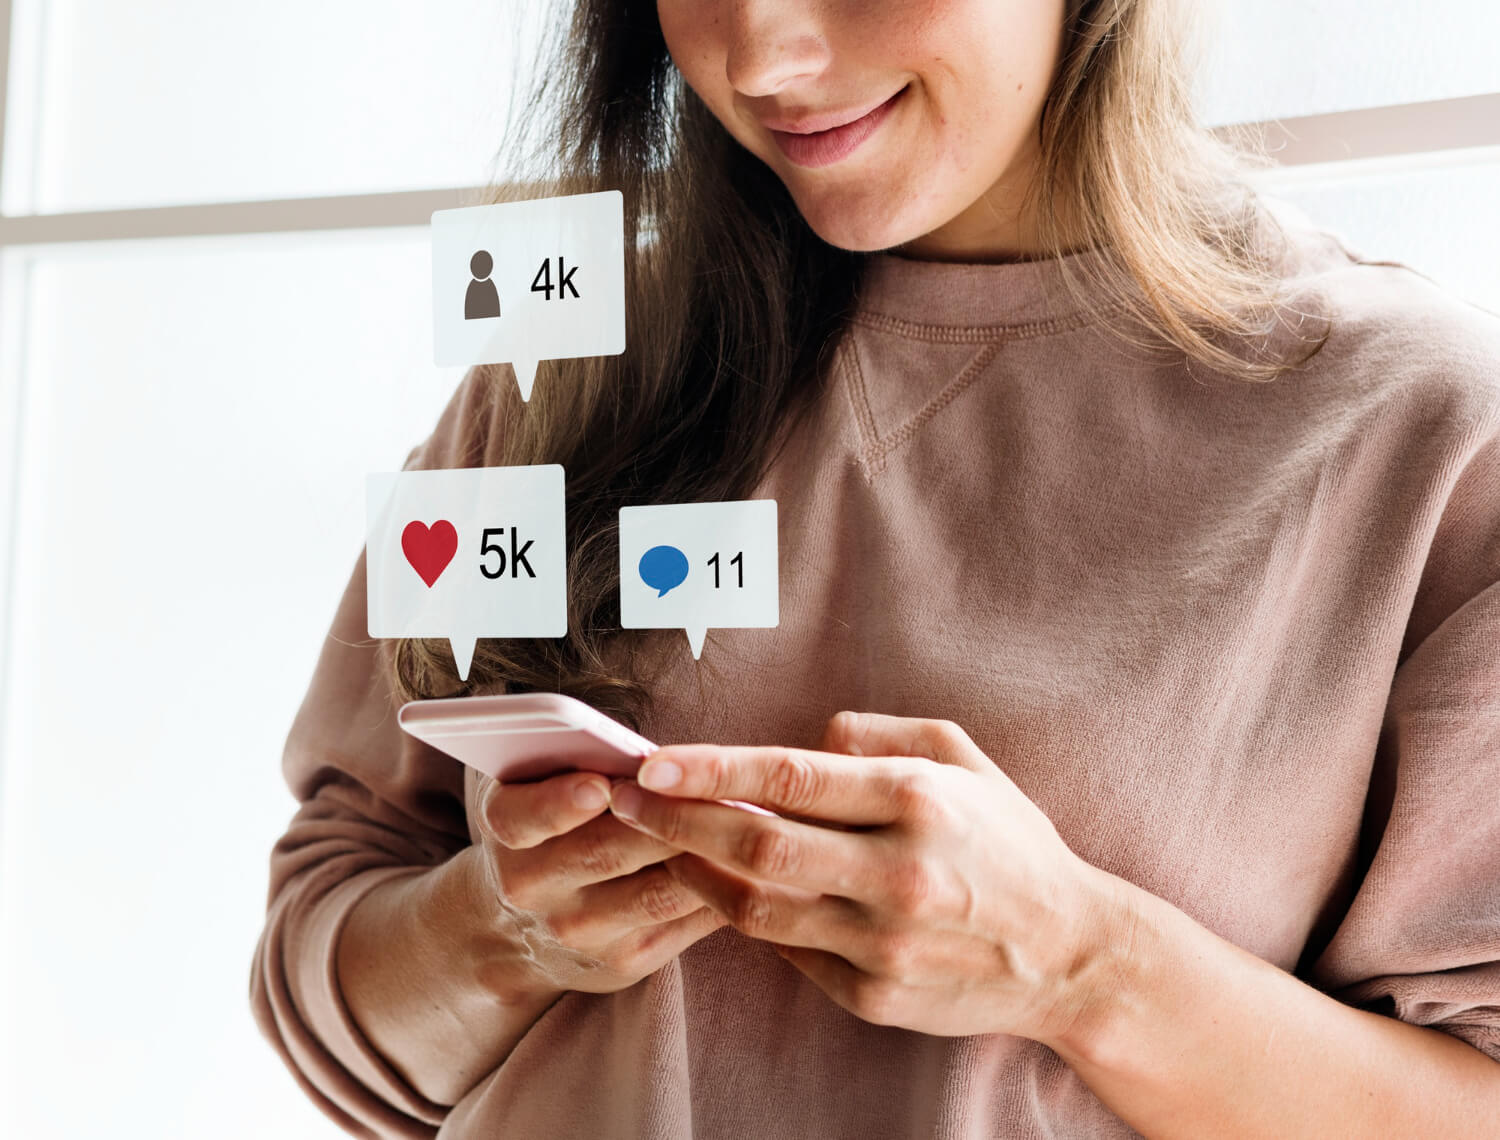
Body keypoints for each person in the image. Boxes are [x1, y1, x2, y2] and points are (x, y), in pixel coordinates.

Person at [249, 0, 1500, 1136]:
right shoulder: (571, 376)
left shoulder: (1427, 433)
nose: (759, 57)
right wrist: (504, 929)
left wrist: (1085, 965)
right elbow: (328, 964)